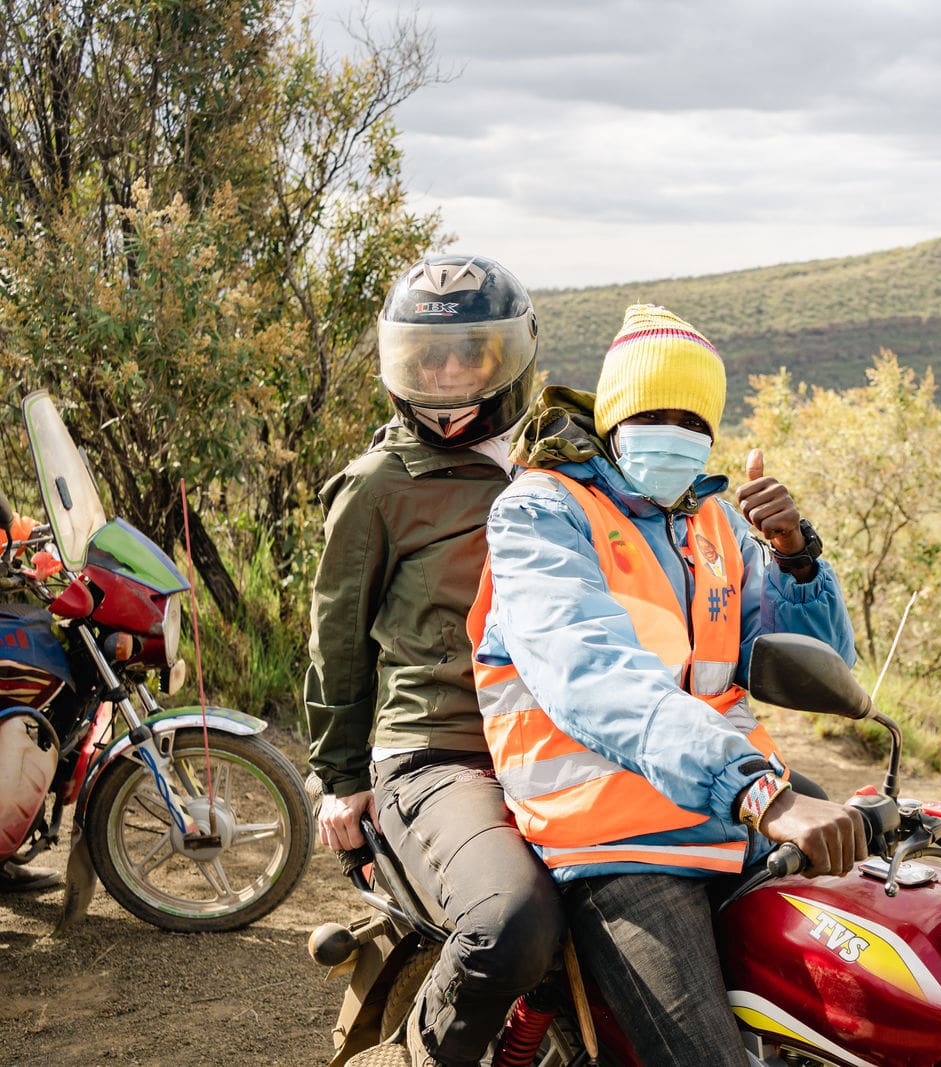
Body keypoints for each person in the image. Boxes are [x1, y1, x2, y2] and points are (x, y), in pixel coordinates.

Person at [468, 304, 867, 1065]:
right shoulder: (542, 511)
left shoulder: (712, 523)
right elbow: (590, 673)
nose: (675, 430)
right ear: (614, 415)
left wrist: (796, 556)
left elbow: (810, 664)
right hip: (615, 833)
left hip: (723, 815)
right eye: (655, 412)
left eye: (693, 417)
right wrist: (760, 793)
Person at [305, 253, 563, 1067]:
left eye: (470, 355)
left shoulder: (551, 464)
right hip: (438, 748)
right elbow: (336, 636)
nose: (449, 374)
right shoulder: (381, 483)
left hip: (555, 746)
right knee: (514, 919)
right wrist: (339, 777)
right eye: (430, 356)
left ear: (509, 359)